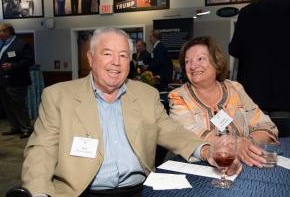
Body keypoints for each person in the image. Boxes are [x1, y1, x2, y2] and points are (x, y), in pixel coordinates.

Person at [21, 27, 241, 197]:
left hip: (140, 190)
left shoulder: (146, 94)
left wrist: (205, 150)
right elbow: (41, 150)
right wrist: (39, 192)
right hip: (80, 192)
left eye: (124, 55)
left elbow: (170, 130)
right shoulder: (59, 96)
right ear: (91, 58)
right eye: (107, 54)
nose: (115, 63)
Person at [168, 36, 279, 168]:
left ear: (216, 61)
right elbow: (190, 134)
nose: (193, 65)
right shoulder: (178, 96)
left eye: (200, 58)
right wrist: (236, 145)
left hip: (245, 165)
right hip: (198, 169)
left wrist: (247, 142)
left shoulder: (235, 89)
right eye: (187, 61)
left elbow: (266, 125)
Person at [0, 22, 34, 138]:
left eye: (1, 31)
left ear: (7, 31)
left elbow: (29, 60)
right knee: (7, 106)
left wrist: (13, 65)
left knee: (18, 105)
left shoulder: (21, 44)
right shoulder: (2, 45)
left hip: (17, 82)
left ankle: (27, 128)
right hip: (3, 82)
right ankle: (15, 127)